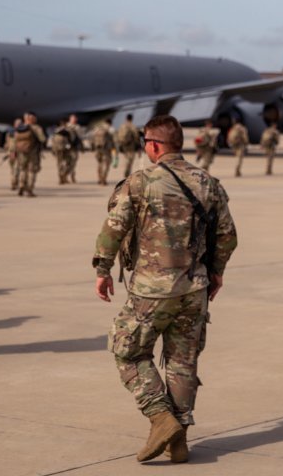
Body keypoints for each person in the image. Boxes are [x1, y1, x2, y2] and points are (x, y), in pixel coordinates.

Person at [93, 115, 237, 463]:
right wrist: (215, 273)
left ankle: (160, 417)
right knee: (182, 362)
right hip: (194, 288)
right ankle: (179, 439)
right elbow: (227, 236)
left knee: (127, 351)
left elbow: (115, 227)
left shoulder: (140, 182)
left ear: (154, 145)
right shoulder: (208, 183)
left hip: (151, 289)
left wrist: (102, 268)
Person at [91, 118, 116, 185]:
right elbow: (114, 140)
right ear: (110, 123)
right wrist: (114, 150)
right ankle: (103, 179)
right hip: (106, 150)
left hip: (98, 149)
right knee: (106, 165)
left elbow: (92, 138)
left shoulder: (97, 128)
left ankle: (99, 178)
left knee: (100, 164)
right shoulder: (111, 129)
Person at [116, 114, 140, 179]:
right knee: (130, 159)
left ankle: (127, 170)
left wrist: (120, 144)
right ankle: (127, 172)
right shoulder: (132, 126)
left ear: (126, 118)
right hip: (131, 145)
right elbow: (136, 136)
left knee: (126, 158)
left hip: (123, 145)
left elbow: (118, 136)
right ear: (132, 119)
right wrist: (138, 144)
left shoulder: (122, 126)